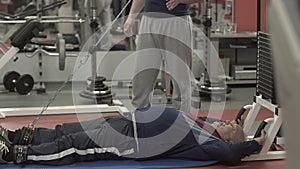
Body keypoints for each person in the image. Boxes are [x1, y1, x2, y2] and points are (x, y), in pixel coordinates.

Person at [0, 107, 265, 166]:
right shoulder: (205, 125)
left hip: (129, 141)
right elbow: (223, 124)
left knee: (72, 146)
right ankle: (15, 137)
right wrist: (242, 122)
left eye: (232, 125)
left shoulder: (212, 144)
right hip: (128, 121)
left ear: (230, 139)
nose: (228, 121)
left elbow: (231, 155)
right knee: (67, 130)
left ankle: (14, 155)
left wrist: (256, 143)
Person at [123, 0, 199, 112]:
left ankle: (184, 120)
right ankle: (140, 119)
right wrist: (131, 17)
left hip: (177, 20)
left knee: (181, 79)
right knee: (142, 76)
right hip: (149, 20)